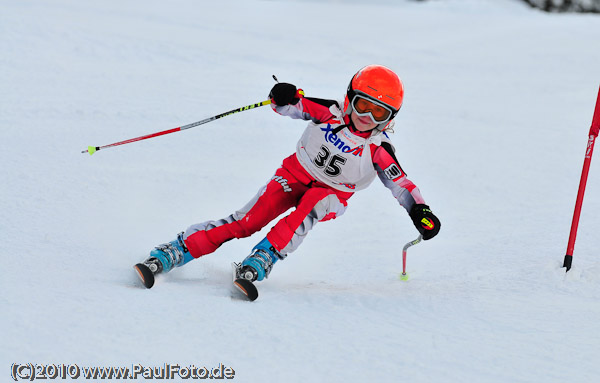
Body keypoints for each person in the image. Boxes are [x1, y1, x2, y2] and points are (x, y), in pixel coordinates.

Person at [134, 64, 441, 289]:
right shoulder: (330, 113)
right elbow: (292, 106)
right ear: (350, 98)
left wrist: (420, 210)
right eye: (363, 105)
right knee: (247, 221)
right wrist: (282, 96)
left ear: (390, 119)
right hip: (294, 174)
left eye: (379, 114)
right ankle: (177, 250)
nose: (367, 118)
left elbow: (401, 184)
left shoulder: (379, 147)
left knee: (315, 202)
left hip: (334, 193)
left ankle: (263, 257)